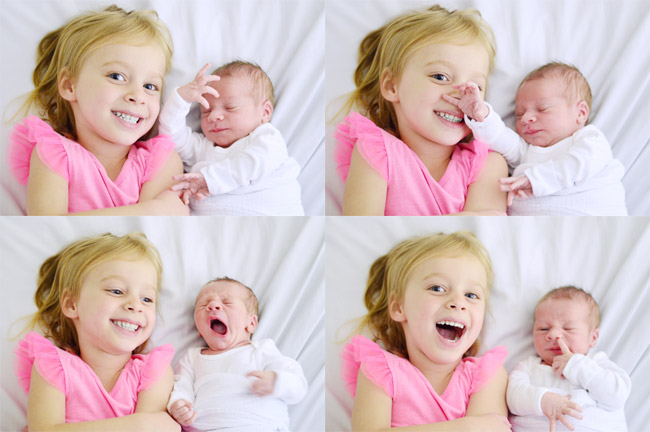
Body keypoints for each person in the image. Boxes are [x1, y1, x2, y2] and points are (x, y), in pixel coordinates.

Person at [7, 5, 188, 216]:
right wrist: (154, 209)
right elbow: (49, 227)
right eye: (117, 76)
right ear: (69, 86)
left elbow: (150, 230)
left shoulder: (161, 161)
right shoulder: (54, 154)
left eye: (150, 87)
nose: (137, 96)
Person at [333, 5, 507, 215]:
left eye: (476, 87)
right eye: (440, 77)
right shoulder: (377, 152)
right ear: (391, 86)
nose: (462, 95)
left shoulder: (487, 164)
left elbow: (486, 219)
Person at [341, 231, 510, 431]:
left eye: (471, 295)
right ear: (398, 308)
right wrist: (467, 427)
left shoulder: (486, 375)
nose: (458, 302)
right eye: (437, 289)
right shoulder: (382, 371)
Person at [14, 233, 179, 431]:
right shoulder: (54, 367)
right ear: (71, 304)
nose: (136, 305)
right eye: (116, 291)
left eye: (147, 299)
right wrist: (140, 423)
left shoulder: (154, 373)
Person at [448, 62, 627, 215]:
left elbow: (579, 163)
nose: (526, 119)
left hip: (591, 218)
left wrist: (535, 180)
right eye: (519, 114)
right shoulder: (527, 150)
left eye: (542, 109)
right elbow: (499, 136)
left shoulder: (589, 140)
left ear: (580, 113)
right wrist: (481, 114)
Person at [159, 61, 304, 216]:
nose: (214, 116)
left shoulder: (267, 139)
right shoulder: (205, 147)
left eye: (230, 107)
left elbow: (252, 163)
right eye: (206, 111)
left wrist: (210, 180)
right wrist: (181, 99)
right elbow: (170, 138)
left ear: (265, 112)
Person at [167, 277, 308, 431]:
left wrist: (277, 381)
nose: (213, 305)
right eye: (204, 304)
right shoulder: (192, 358)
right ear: (199, 330)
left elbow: (298, 385)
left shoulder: (261, 350)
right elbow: (181, 387)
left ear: (251, 323)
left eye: (227, 303)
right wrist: (178, 404)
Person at [507, 286, 631, 431]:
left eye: (568, 328)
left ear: (593, 338)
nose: (553, 334)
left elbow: (617, 395)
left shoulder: (597, 364)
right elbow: (513, 398)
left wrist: (577, 365)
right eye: (543, 329)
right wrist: (543, 400)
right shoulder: (528, 367)